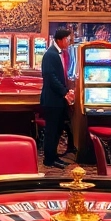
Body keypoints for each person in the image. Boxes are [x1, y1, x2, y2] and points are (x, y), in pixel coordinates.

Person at [40, 28, 76, 168]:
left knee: (57, 130)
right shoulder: (50, 54)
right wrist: (65, 92)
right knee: (52, 131)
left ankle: (54, 156)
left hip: (57, 100)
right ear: (60, 40)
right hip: (52, 100)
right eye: (67, 39)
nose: (68, 42)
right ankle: (49, 159)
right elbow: (50, 78)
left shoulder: (57, 53)